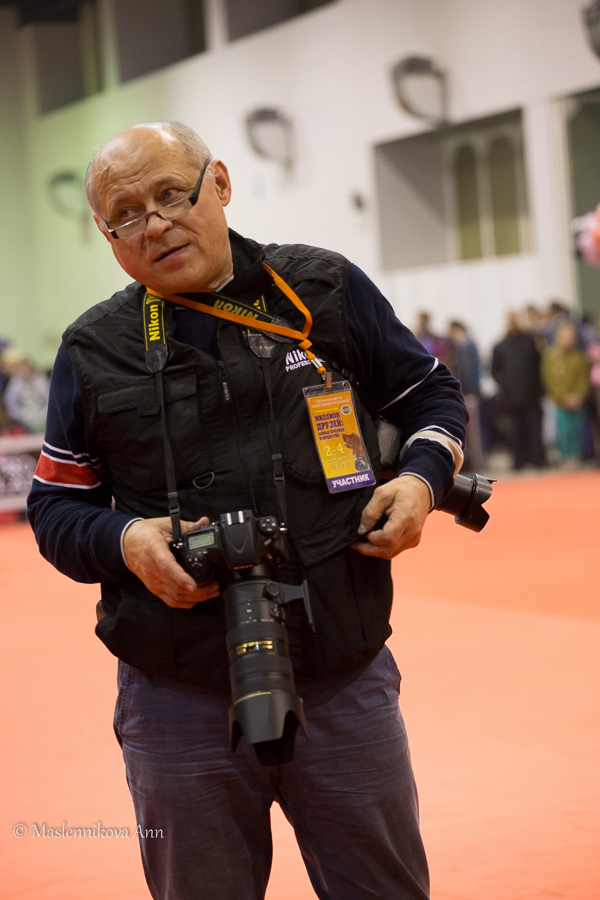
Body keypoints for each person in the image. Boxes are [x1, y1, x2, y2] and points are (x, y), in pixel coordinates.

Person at [27, 122, 467, 900]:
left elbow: (430, 395)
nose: (154, 224)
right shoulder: (95, 349)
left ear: (221, 184)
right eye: (126, 214)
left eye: (172, 194)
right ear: (105, 233)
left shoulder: (324, 291)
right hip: (177, 692)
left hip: (341, 672)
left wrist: (424, 479)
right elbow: (56, 508)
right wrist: (125, 540)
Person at [491, 311, 546, 470]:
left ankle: (537, 460)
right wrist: (506, 384)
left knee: (534, 430)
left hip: (531, 396)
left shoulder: (529, 342)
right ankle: (518, 461)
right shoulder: (500, 346)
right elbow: (495, 371)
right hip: (511, 398)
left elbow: (538, 367)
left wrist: (539, 389)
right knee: (515, 432)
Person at [541, 322, 590, 466]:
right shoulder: (551, 356)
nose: (568, 339)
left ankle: (576, 457)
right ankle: (563, 457)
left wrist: (578, 395)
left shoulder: (579, 357)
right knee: (562, 431)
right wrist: (562, 397)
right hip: (559, 401)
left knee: (576, 431)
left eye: (571, 336)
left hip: (577, 401)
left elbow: (584, 379)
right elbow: (549, 379)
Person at [447, 320, 483, 472]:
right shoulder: (465, 346)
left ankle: (476, 464)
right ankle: (474, 463)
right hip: (468, 392)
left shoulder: (466, 346)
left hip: (468, 393)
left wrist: (465, 391)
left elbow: (468, 372)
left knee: (473, 432)